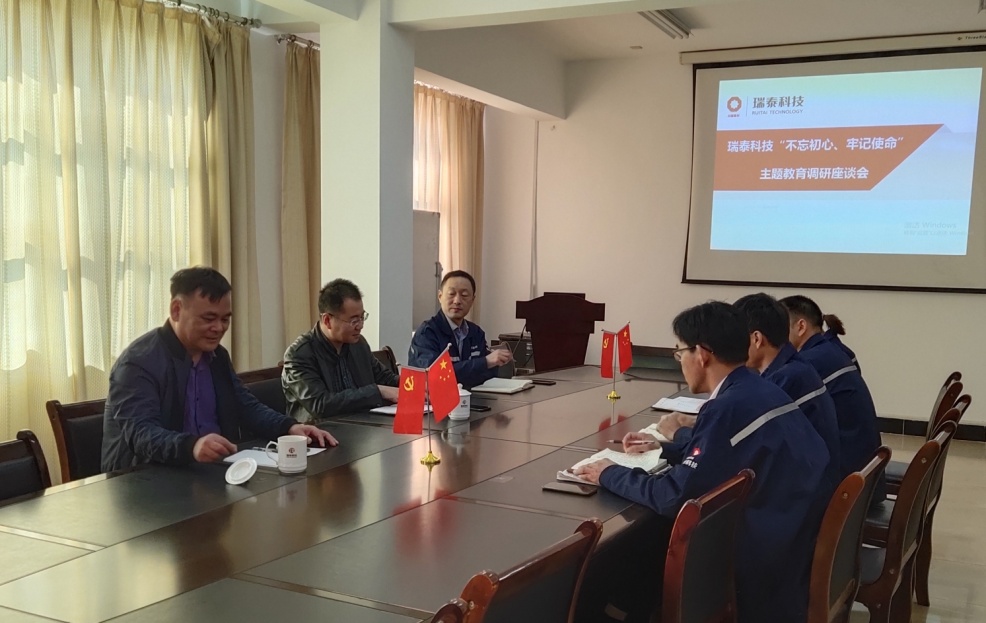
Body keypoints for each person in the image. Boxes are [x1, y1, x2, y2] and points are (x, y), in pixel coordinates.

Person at [575, 301, 829, 623]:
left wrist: (609, 473)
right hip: (790, 531)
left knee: (634, 547)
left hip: (762, 555)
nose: (680, 360)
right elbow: (724, 453)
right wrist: (664, 448)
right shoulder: (758, 389)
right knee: (645, 544)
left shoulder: (726, 407)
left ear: (702, 354)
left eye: (680, 352)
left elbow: (675, 495)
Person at [102, 267, 336, 472]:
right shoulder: (138, 363)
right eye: (209, 318)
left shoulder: (217, 356)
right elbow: (142, 433)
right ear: (176, 310)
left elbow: (244, 405)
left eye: (225, 319)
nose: (218, 328)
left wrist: (290, 427)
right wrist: (192, 446)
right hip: (145, 479)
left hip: (209, 472)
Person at [780, 294, 883, 501]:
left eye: (780, 328)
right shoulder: (833, 350)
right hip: (865, 469)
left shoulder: (807, 364)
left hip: (848, 480)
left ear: (801, 326)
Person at [282, 278, 399, 421]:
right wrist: (378, 391)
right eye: (353, 320)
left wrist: (415, 384)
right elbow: (321, 405)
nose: (360, 326)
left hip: (363, 426)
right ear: (327, 320)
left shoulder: (358, 344)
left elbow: (385, 378)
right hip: (321, 430)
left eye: (362, 317)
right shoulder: (299, 354)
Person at [408, 270, 512, 389]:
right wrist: (484, 363)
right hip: (432, 399)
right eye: (451, 294)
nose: (457, 301)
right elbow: (435, 375)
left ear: (472, 300)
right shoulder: (427, 333)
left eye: (464, 295)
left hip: (472, 397)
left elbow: (488, 374)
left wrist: (473, 368)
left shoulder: (476, 332)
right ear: (440, 296)